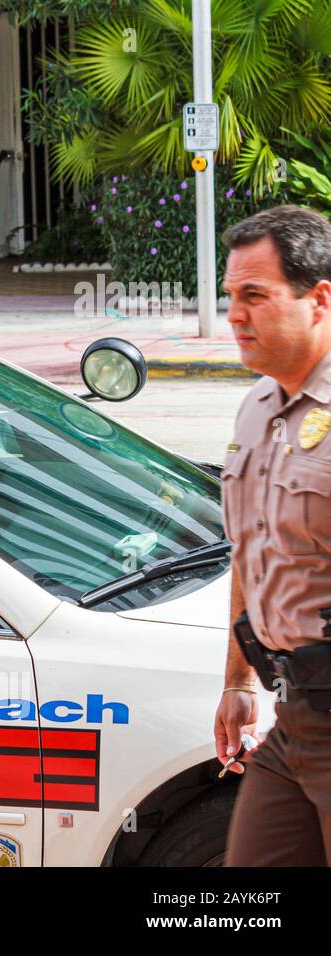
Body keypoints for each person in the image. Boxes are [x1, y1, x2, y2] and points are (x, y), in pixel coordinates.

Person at [214, 205, 331, 865]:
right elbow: (251, 552)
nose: (235, 314)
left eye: (254, 296)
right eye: (231, 296)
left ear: (318, 300)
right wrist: (238, 684)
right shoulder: (258, 406)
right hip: (294, 721)